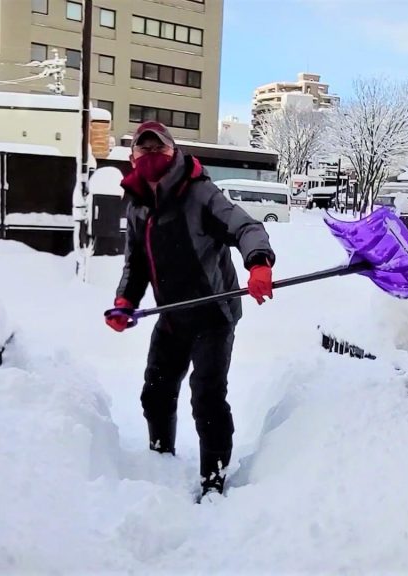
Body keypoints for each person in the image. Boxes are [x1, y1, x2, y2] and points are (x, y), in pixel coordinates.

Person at [105, 121, 276, 498]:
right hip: (172, 316)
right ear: (133, 158)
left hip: (213, 314)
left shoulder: (199, 194)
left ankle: (214, 479)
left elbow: (245, 227)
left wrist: (259, 261)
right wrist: (124, 302)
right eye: (143, 151)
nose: (151, 158)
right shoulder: (137, 204)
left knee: (207, 395)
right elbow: (137, 264)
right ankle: (160, 457)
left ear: (172, 152)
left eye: (158, 150)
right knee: (156, 390)